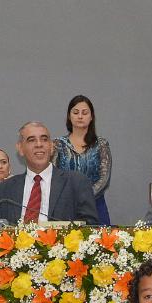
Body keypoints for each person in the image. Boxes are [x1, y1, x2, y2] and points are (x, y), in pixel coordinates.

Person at [0, 121, 99, 224]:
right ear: (20, 148)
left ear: (52, 147)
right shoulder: (5, 189)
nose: (39, 144)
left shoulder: (76, 182)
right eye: (31, 140)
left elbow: (90, 226)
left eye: (44, 139)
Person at [53, 95, 112, 225]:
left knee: (99, 244)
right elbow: (53, 175)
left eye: (84, 113)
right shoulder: (58, 144)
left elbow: (104, 178)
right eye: (75, 112)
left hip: (95, 204)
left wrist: (85, 197)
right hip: (64, 206)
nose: (80, 116)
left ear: (91, 117)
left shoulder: (101, 144)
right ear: (69, 116)